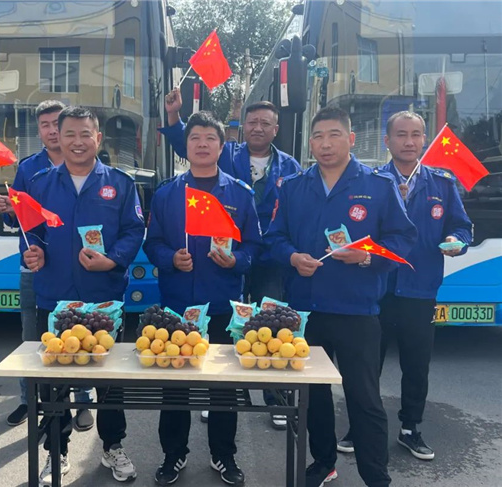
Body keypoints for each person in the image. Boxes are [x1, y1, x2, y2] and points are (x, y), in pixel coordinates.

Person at [265, 106, 417, 487]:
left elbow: (403, 240)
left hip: (357, 311)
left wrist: (366, 257)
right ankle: (323, 462)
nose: (326, 144)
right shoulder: (294, 186)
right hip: (306, 311)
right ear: (310, 143)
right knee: (313, 397)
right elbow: (275, 238)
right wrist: (292, 257)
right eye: (318, 136)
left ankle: (376, 476)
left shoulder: (378, 186)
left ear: (350, 139)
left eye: (334, 135)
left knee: (364, 398)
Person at [161, 87, 301, 429]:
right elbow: (191, 141)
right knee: (213, 341)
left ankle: (275, 396)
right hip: (216, 262)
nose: (258, 128)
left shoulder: (290, 166)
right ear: (242, 127)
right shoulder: (229, 155)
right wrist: (173, 116)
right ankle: (214, 400)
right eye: (252, 122)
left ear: (275, 129)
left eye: (265, 123)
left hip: (268, 257)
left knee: (270, 325)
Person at [336, 111, 472, 461]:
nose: (409, 142)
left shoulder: (442, 183)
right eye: (401, 135)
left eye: (415, 134)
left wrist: (456, 241)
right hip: (377, 288)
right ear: (387, 141)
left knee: (416, 365)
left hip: (420, 289)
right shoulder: (373, 182)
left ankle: (411, 427)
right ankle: (360, 426)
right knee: (367, 365)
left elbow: (461, 226)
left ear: (424, 139)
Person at [22, 106, 144, 485]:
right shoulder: (40, 184)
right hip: (54, 298)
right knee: (54, 383)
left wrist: (113, 260)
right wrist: (32, 253)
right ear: (57, 137)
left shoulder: (120, 184)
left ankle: (112, 446)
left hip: (104, 299)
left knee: (110, 382)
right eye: (70, 134)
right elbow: (31, 232)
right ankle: (56, 452)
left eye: (85, 134)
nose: (78, 142)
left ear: (98, 138)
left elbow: (134, 230)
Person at [144, 111, 262, 486]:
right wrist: (170, 258)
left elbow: (254, 247)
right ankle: (173, 454)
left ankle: (223, 455)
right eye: (195, 138)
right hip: (177, 306)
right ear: (186, 146)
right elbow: (152, 243)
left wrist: (236, 261)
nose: (202, 144)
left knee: (223, 388)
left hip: (222, 304)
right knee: (175, 387)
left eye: (210, 138)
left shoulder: (240, 194)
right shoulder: (167, 194)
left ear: (221, 146)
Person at [0, 100, 94, 431]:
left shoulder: (88, 162)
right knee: (33, 338)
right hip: (35, 267)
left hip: (77, 269)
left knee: (79, 334)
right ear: (40, 132)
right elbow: (23, 221)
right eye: (45, 125)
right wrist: (8, 210)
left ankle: (82, 400)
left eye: (56, 124)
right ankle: (29, 399)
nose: (52, 131)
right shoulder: (29, 169)